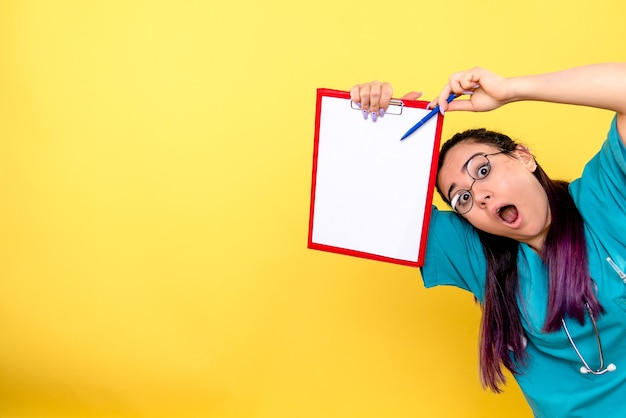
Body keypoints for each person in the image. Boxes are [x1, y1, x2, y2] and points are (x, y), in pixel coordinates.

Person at [350, 63, 626, 418]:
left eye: (482, 171)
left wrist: (512, 89)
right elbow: (353, 213)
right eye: (461, 198)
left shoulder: (602, 198)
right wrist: (369, 125)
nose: (477, 195)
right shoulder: (473, 251)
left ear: (523, 157)